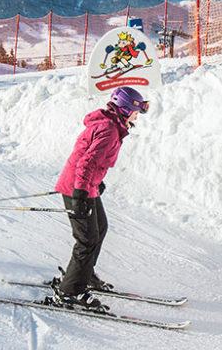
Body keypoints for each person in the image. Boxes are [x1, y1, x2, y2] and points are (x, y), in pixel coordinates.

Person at [51, 86, 149, 309]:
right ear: (124, 109)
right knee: (86, 240)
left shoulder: (112, 126)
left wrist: (96, 181)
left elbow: (94, 161)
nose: (138, 115)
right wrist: (81, 193)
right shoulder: (109, 130)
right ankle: (70, 290)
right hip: (77, 187)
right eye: (136, 111)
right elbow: (86, 162)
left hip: (85, 185)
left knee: (100, 228)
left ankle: (84, 274)